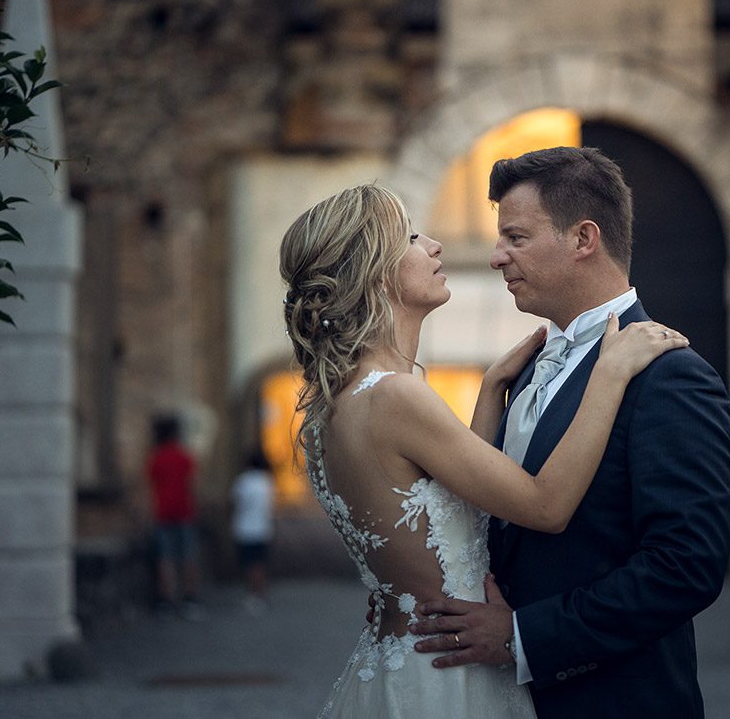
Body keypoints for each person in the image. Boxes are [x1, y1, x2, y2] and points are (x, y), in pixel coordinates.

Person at [279, 183, 689, 718]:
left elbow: (439, 501)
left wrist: (492, 389)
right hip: (449, 676)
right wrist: (609, 374)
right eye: (410, 236)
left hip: (397, 663)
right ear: (374, 270)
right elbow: (545, 505)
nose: (434, 245)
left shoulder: (335, 405)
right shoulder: (397, 396)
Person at [408, 147, 730, 719]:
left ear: (583, 239)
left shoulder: (672, 376)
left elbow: (686, 567)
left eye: (515, 237)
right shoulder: (526, 366)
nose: (495, 257)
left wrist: (524, 637)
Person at [145, 414, 204, 620]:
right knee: (188, 556)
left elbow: (150, 486)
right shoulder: (184, 456)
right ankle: (190, 598)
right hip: (185, 512)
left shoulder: (156, 457)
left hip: (163, 513)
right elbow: (193, 484)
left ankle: (167, 600)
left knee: (166, 558)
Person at [231, 449, 275, 614]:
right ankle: (260, 593)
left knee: (250, 565)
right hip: (263, 528)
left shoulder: (243, 482)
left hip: (245, 529)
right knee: (261, 563)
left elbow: (235, 503)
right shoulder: (267, 481)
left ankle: (254, 594)